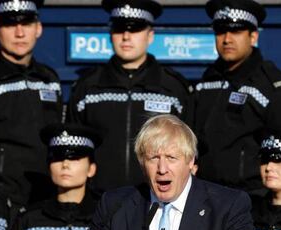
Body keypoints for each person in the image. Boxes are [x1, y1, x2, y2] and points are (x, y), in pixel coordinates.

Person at [71, 114, 260, 230]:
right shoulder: (115, 206)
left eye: (171, 157)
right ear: (142, 163)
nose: (162, 169)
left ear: (191, 160)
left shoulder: (227, 206)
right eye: (153, 158)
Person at [67, 0, 193, 192]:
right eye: (119, 29)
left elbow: (189, 151)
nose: (126, 36)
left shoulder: (173, 88)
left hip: (156, 202)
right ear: (110, 34)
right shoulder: (87, 88)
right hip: (99, 202)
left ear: (150, 35)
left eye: (135, 29)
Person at [188, 0, 281, 194]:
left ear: (253, 36)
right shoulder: (206, 82)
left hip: (252, 199)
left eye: (236, 31)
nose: (227, 39)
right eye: (221, 31)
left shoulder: (273, 85)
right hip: (205, 195)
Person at [0, 0, 63, 207]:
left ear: (38, 28)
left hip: (45, 201)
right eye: (9, 24)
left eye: (26, 24)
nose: (19, 33)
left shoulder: (49, 80)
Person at [1, 123, 102, 230]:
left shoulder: (105, 219)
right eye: (57, 157)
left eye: (74, 158)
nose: (65, 165)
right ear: (49, 167)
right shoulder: (29, 220)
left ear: (91, 168)